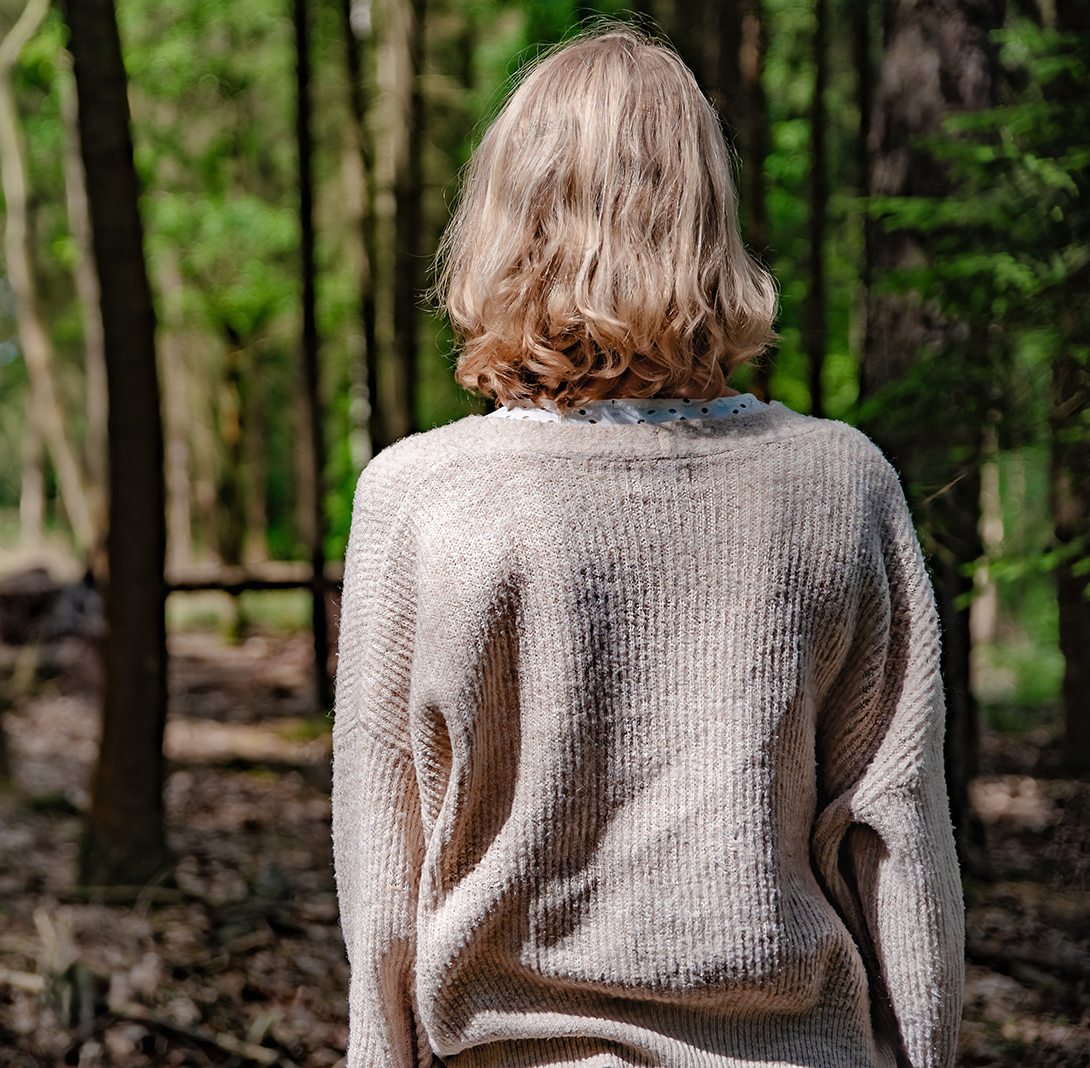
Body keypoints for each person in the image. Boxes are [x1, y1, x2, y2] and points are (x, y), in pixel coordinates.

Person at [330, 25, 964, 1068]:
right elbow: (899, 843)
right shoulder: (839, 483)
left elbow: (384, 868)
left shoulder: (416, 497)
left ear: (504, 221)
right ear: (706, 222)